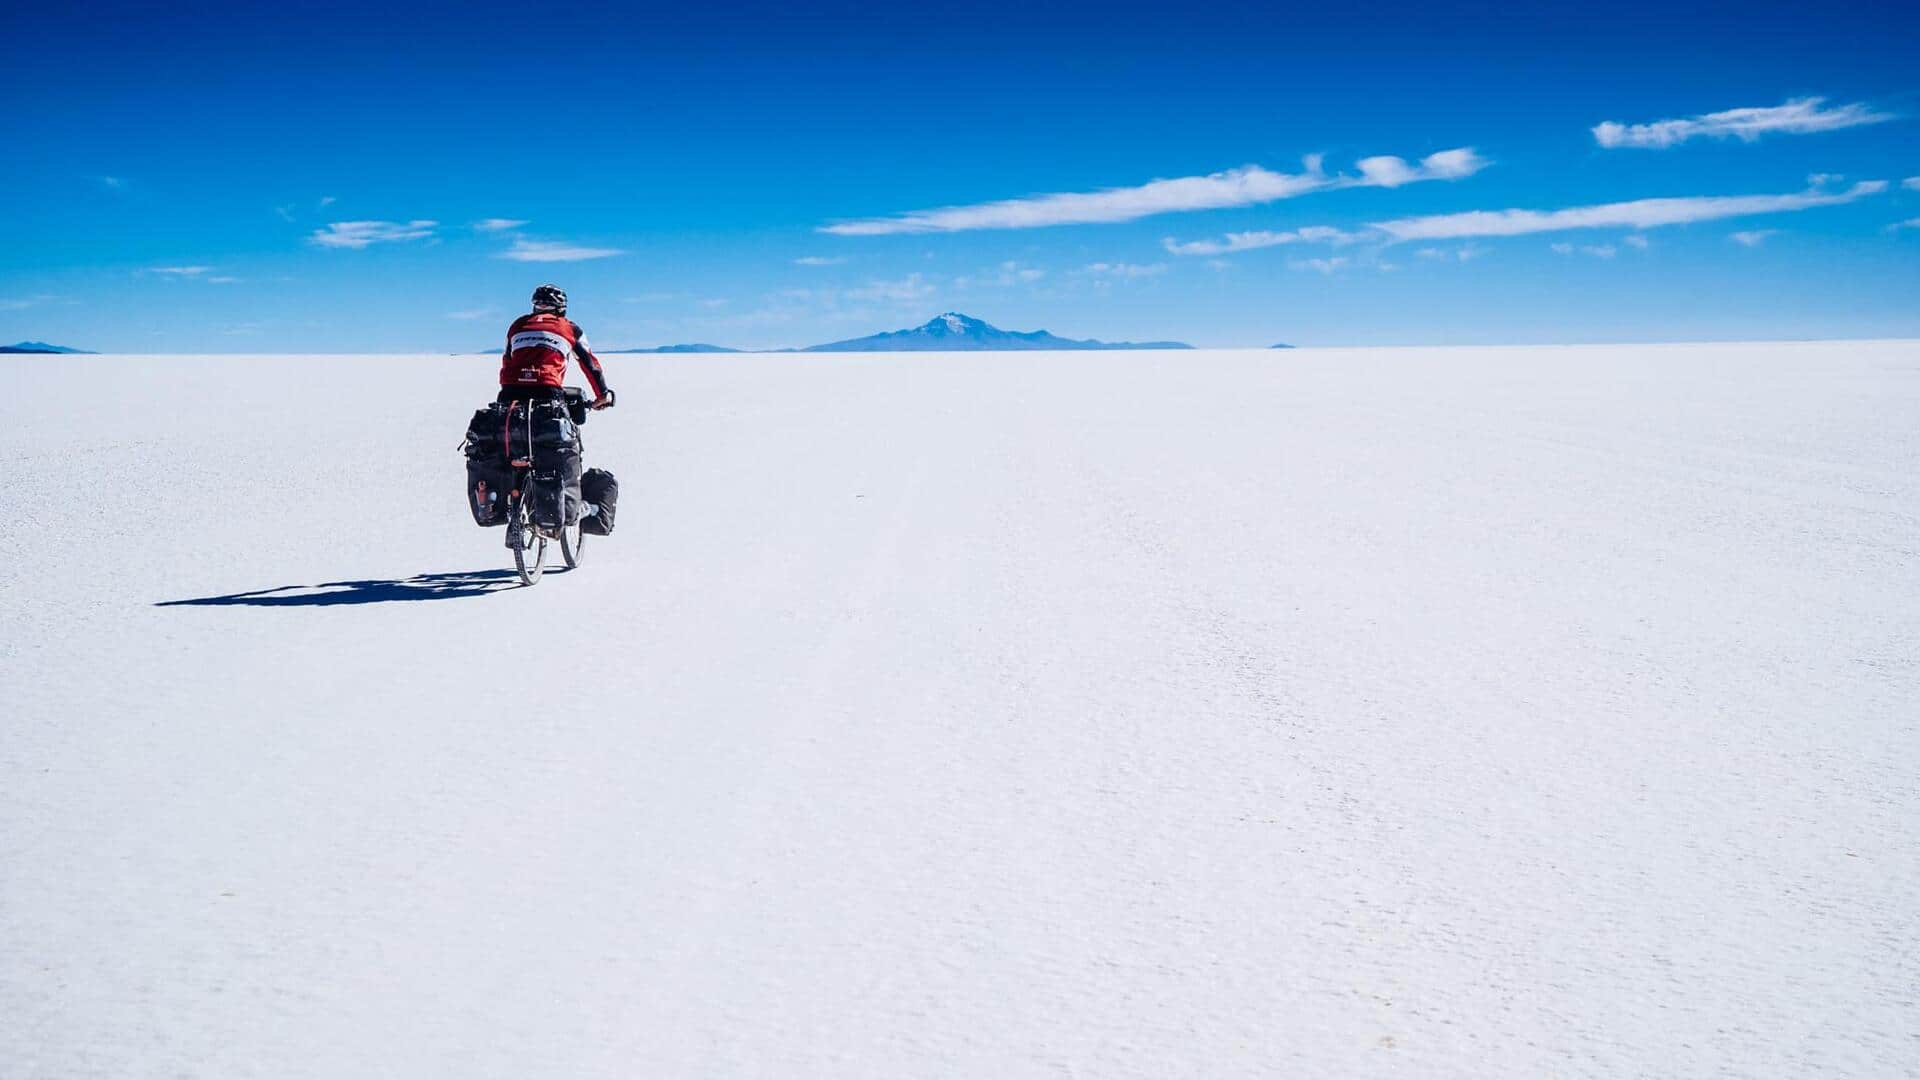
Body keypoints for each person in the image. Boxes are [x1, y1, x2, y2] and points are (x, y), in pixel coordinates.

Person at [499, 284, 614, 408]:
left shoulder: (517, 325)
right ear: (561, 308)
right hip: (547, 386)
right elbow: (590, 365)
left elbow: (507, 358)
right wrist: (602, 395)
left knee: (504, 423)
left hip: (510, 388)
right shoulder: (570, 328)